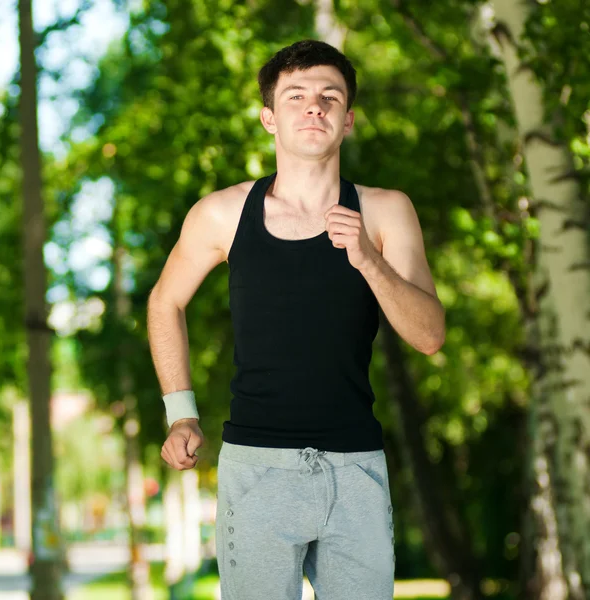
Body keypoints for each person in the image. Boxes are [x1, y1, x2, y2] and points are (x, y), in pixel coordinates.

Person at [147, 39, 445, 600]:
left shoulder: (385, 211)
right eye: (297, 96)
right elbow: (165, 301)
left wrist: (369, 260)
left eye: (330, 96)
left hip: (355, 467)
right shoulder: (222, 213)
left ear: (348, 120)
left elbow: (430, 336)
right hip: (255, 469)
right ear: (269, 118)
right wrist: (180, 415)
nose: (315, 106)